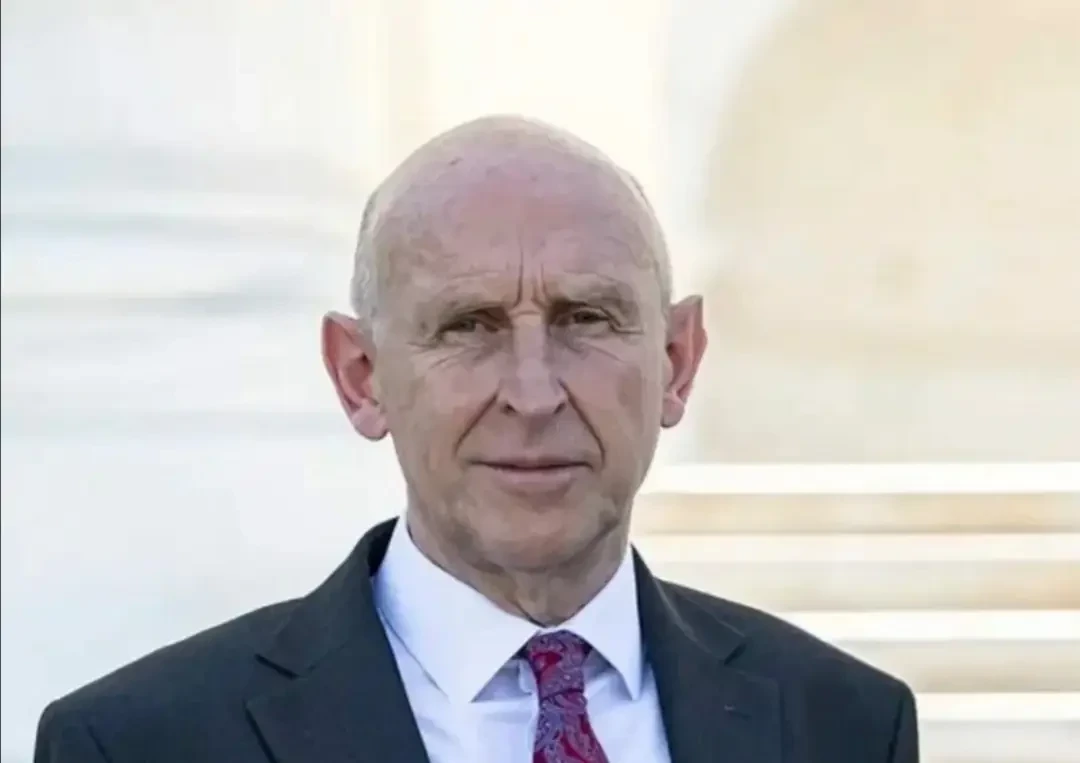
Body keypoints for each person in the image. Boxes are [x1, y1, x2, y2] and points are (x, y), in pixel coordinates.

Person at [34, 116, 919, 763]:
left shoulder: (842, 724)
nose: (532, 394)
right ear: (361, 376)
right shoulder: (140, 742)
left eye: (586, 318)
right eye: (467, 326)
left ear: (677, 362)